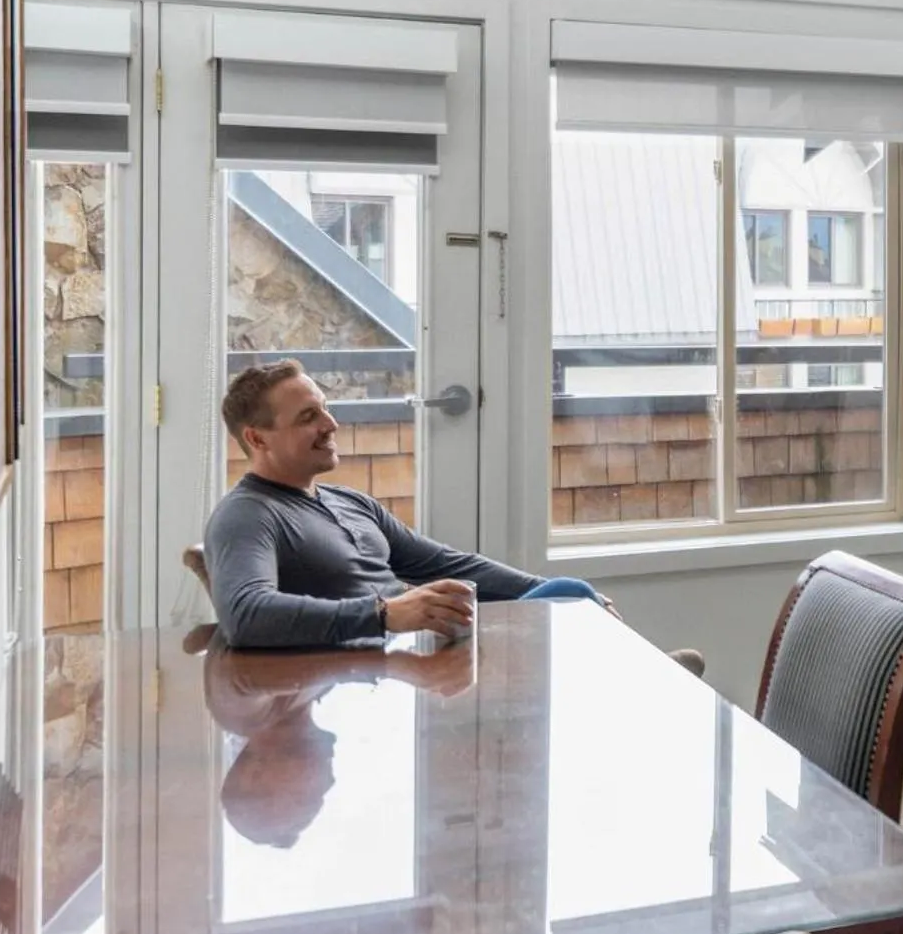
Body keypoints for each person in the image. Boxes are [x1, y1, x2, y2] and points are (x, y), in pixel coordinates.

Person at [202, 361, 706, 674]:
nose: (332, 424)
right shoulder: (246, 517)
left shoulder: (348, 501)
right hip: (380, 662)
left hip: (432, 647)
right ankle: (644, 684)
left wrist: (561, 596)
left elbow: (450, 563)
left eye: (326, 410)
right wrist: (383, 614)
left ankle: (639, 676)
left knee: (568, 592)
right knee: (569, 603)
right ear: (257, 438)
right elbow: (246, 615)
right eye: (308, 417)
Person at [205, 631, 475, 848]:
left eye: (304, 798)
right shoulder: (309, 695)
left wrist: (393, 666)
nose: (328, 782)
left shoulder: (243, 715)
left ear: (255, 775)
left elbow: (239, 674)